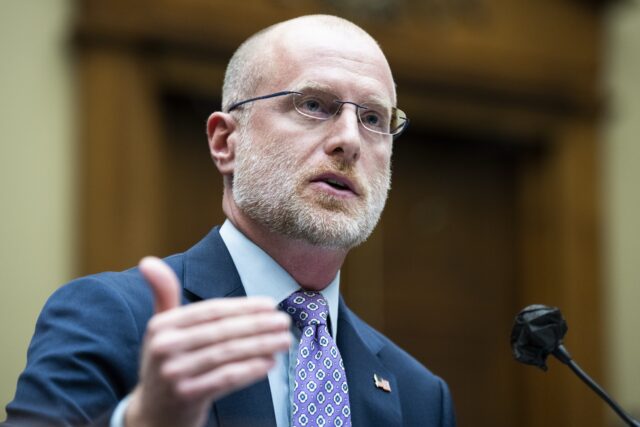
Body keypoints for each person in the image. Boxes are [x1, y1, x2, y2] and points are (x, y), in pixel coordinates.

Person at [2, 14, 456, 427]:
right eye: (314, 105)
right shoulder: (113, 317)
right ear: (225, 142)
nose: (349, 141)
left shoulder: (420, 395)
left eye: (373, 117)